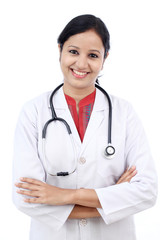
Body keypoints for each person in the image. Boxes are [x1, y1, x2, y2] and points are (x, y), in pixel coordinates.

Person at [13, 14, 157, 240]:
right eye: (73, 51)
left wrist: (63, 195)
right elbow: (25, 197)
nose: (81, 64)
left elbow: (147, 191)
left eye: (92, 55)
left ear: (105, 58)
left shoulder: (124, 113)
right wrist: (111, 199)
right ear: (60, 49)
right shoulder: (33, 112)